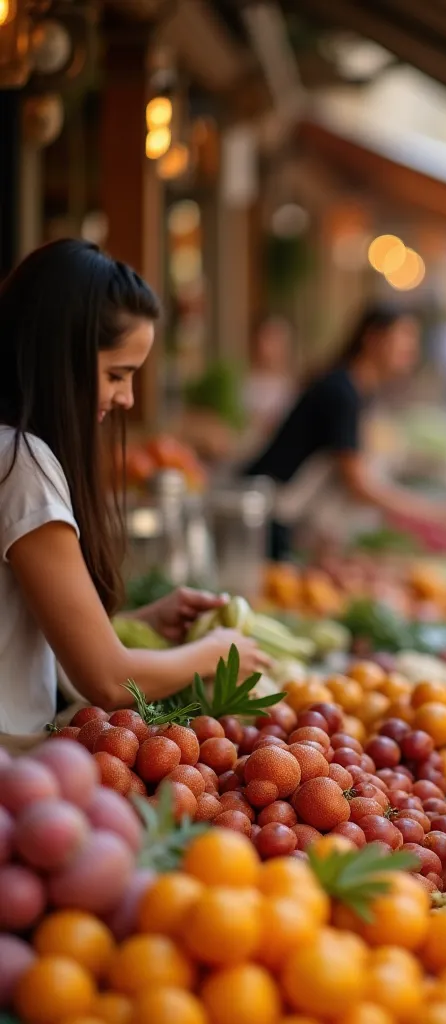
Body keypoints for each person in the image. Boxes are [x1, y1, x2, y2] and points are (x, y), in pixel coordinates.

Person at [0, 239, 267, 745]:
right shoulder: (21, 464)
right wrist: (215, 654)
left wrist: (135, 624)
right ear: (63, 359)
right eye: (116, 375)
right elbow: (104, 678)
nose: (125, 398)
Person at [244, 304, 446, 560]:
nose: (411, 350)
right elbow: (357, 482)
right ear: (372, 338)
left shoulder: (360, 391)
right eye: (403, 338)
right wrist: (435, 512)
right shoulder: (341, 392)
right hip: (266, 516)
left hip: (290, 517)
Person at [242, 315, 297, 451]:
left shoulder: (292, 389)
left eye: (274, 340)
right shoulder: (242, 383)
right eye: (264, 338)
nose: (266, 346)